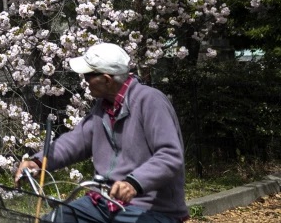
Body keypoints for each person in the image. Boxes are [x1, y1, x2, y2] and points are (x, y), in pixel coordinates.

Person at [14, 43, 187, 223]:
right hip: (103, 201)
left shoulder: (150, 101)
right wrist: (38, 162)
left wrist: (134, 183)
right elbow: (76, 141)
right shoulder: (103, 107)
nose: (85, 80)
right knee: (55, 219)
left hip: (148, 206)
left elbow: (170, 155)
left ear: (106, 79)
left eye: (88, 75)